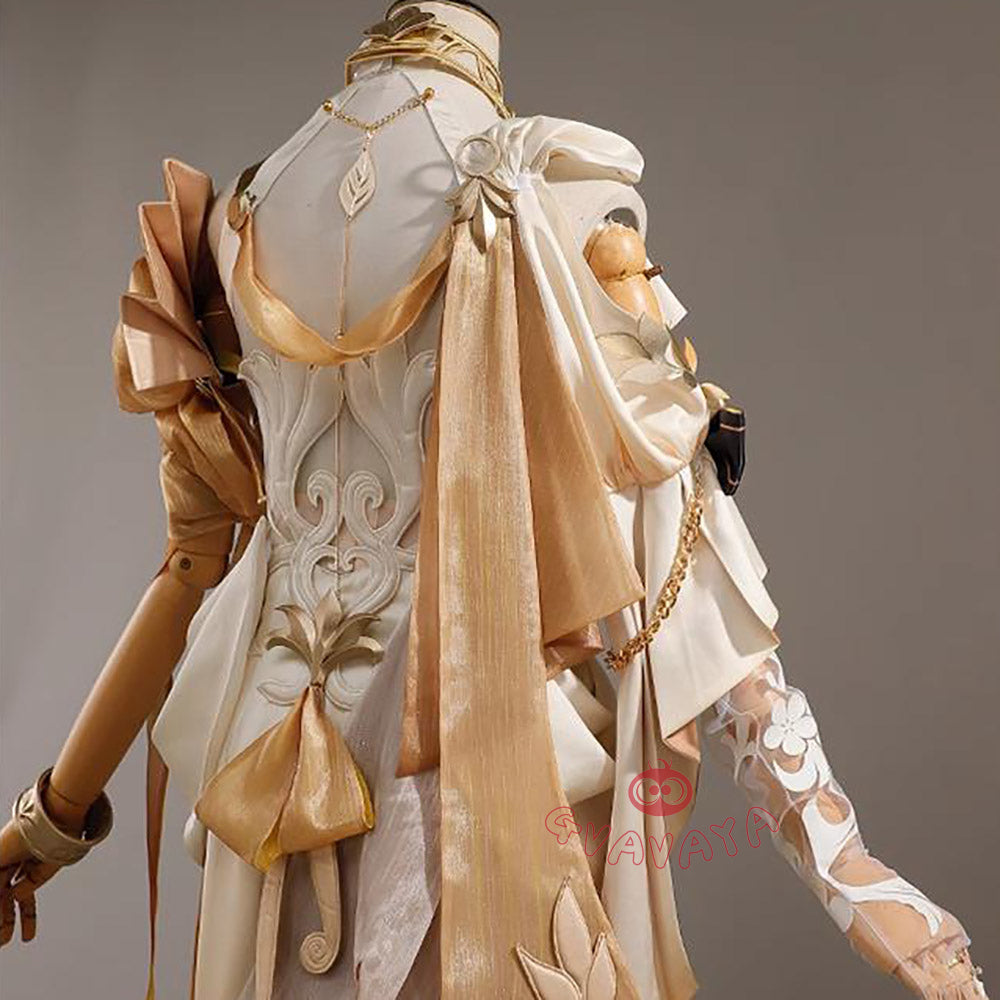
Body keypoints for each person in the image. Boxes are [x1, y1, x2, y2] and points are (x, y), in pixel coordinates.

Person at [0, 3, 988, 998]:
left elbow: (187, 568)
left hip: (261, 770)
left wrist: (48, 820)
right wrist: (851, 872)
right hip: (474, 779)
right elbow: (685, 543)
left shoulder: (237, 216)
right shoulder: (545, 198)